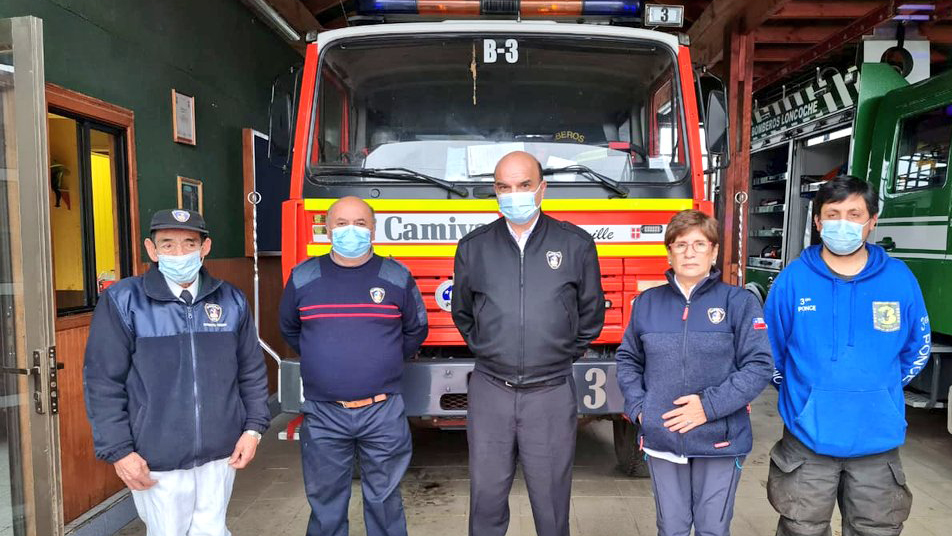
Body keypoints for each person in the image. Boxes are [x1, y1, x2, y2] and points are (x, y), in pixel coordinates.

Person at [83, 209, 270, 536]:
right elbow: (103, 382)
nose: (179, 253)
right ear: (152, 250)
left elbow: (251, 370)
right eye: (167, 245)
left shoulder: (231, 300)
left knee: (213, 531)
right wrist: (119, 451)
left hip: (220, 452)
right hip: (157, 455)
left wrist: (253, 430)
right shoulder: (125, 300)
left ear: (205, 247)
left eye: (189, 243)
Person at [764, 176, 930, 536]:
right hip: (807, 440)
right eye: (833, 213)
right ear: (818, 222)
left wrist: (879, 390)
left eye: (854, 214)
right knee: (801, 529)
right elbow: (772, 352)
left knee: (877, 530)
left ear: (872, 221)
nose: (844, 223)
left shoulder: (900, 279)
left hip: (877, 440)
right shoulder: (792, 281)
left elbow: (917, 347)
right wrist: (805, 398)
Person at [452, 151, 605, 536]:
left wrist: (558, 355)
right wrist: (490, 350)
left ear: (542, 189)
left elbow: (590, 315)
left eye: (523, 185)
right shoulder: (474, 247)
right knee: (486, 500)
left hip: (550, 393)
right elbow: (464, 313)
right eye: (504, 187)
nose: (513, 194)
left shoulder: (576, 244)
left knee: (552, 504)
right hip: (491, 392)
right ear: (495, 191)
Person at [615, 209, 773, 536]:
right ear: (668, 251)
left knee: (711, 530)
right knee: (670, 528)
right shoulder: (647, 303)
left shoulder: (739, 303)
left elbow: (759, 365)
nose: (689, 252)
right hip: (663, 437)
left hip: (720, 438)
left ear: (714, 251)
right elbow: (628, 359)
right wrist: (641, 409)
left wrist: (708, 407)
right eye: (680, 244)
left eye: (699, 244)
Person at [279, 196, 428, 536]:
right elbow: (290, 329)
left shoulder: (396, 275)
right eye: (342, 223)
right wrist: (327, 362)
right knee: (326, 503)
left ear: (373, 229)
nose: (351, 231)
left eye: (360, 224)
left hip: (382, 410)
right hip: (323, 412)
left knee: (385, 502)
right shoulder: (303, 277)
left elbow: (415, 330)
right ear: (327, 228)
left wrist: (381, 360)